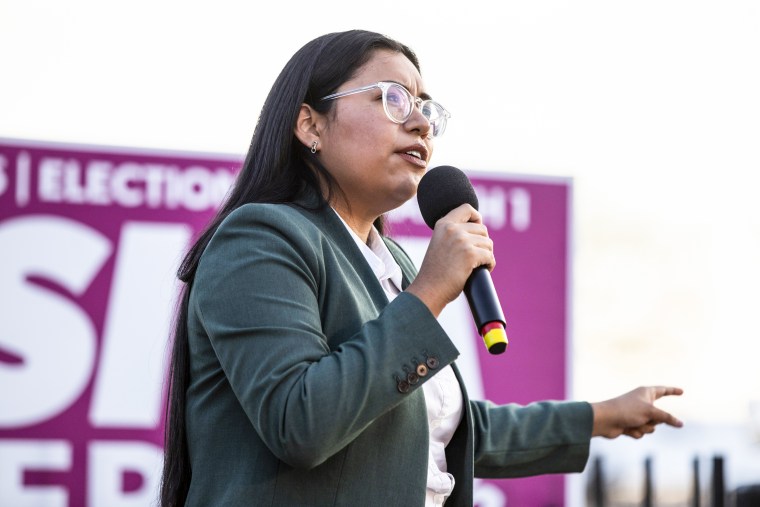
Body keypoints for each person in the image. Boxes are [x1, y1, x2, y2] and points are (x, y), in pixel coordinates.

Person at [160, 29, 683, 507]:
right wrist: (430, 291)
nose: (419, 122)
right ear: (309, 124)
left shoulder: (391, 266)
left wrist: (604, 416)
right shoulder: (261, 237)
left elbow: (443, 428)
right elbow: (301, 421)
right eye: (391, 98)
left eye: (425, 109)